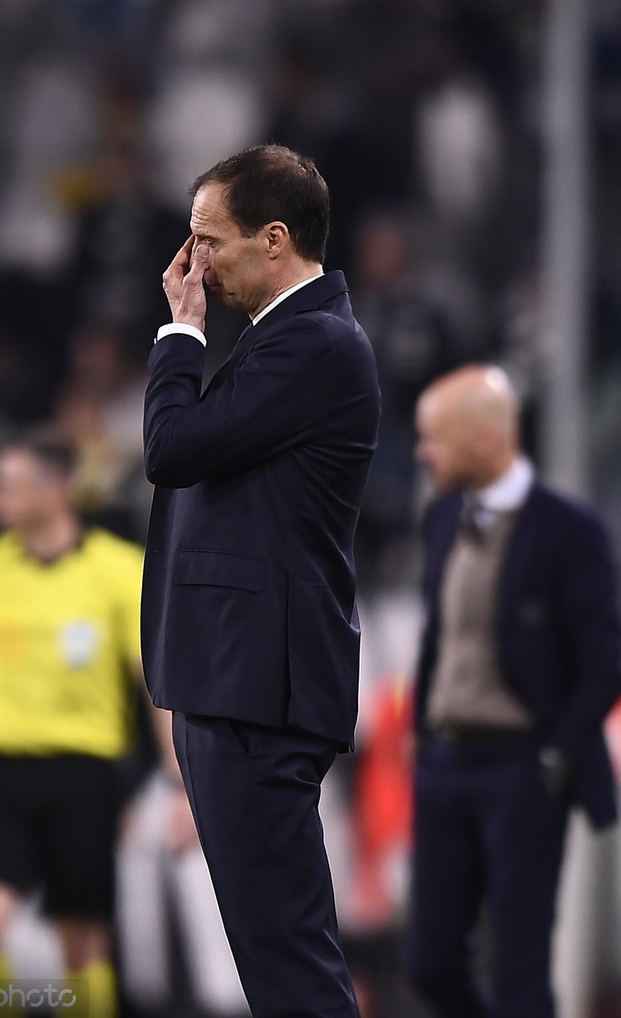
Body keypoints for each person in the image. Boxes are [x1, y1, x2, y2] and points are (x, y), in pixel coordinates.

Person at [140, 144, 381, 1018]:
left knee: (287, 960)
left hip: (257, 689)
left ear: (274, 239)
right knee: (272, 956)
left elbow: (172, 449)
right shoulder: (283, 341)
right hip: (234, 681)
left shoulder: (315, 343)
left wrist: (181, 333)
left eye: (209, 239)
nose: (194, 261)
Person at [406, 365, 621, 1018]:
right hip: (444, 764)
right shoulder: (442, 517)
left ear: (482, 440)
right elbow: (438, 637)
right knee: (430, 962)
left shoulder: (568, 531)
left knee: (519, 971)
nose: (422, 453)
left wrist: (554, 755)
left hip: (520, 768)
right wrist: (422, 734)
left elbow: (604, 660)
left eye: (434, 439)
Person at [0, 434, 147, 1018]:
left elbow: (152, 684)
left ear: (54, 492)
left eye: (8, 486)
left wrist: (182, 783)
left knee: (81, 942)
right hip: (3, 771)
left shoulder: (118, 570)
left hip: (84, 774)